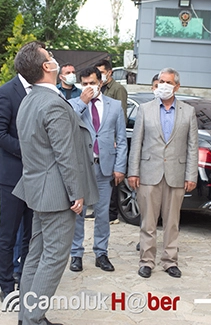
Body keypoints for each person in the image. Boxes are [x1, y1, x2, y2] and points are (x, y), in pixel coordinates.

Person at [12, 41, 99, 325]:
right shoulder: (51, 103)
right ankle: (32, 318)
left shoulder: (30, 99)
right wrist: (76, 193)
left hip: (38, 190)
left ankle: (27, 316)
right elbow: (65, 154)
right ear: (47, 67)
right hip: (56, 193)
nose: (54, 58)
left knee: (36, 255)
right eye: (50, 56)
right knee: (53, 257)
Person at [127, 68, 198, 279]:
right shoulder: (145, 109)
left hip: (176, 174)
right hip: (149, 173)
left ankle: (170, 261)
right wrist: (133, 171)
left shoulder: (188, 111)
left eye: (168, 82)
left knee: (172, 222)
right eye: (160, 81)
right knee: (148, 222)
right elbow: (137, 143)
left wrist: (191, 175)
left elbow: (192, 146)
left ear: (177, 86)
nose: (163, 85)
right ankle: (146, 261)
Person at [68, 67, 127, 273]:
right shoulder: (73, 104)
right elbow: (67, 126)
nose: (88, 87)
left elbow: (121, 138)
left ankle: (101, 252)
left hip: (105, 168)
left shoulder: (114, 106)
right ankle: (76, 254)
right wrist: (83, 103)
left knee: (102, 214)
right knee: (79, 213)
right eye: (84, 84)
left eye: (92, 83)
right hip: (81, 168)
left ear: (100, 83)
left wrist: (120, 167)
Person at [0, 73, 33, 302]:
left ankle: (26, 279)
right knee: (8, 234)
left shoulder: (43, 91)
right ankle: (6, 285)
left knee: (31, 234)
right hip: (12, 176)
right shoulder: (5, 93)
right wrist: (31, 152)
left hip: (38, 177)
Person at [96, 59, 128, 223]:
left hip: (111, 140)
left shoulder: (117, 89)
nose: (99, 75)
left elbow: (121, 116)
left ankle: (111, 212)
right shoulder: (98, 88)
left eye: (101, 72)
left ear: (109, 72)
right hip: (98, 141)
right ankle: (99, 210)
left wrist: (115, 138)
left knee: (111, 177)